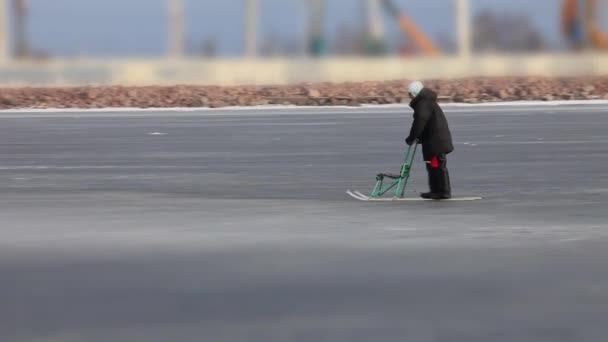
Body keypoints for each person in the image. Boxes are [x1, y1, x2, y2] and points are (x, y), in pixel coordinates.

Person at [405, 81, 454, 200]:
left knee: (437, 165)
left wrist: (412, 137)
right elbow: (426, 123)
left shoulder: (423, 103)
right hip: (434, 140)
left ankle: (443, 192)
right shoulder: (426, 102)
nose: (409, 97)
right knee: (432, 165)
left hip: (435, 142)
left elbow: (420, 122)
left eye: (410, 94)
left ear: (415, 93)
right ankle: (436, 191)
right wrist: (419, 137)